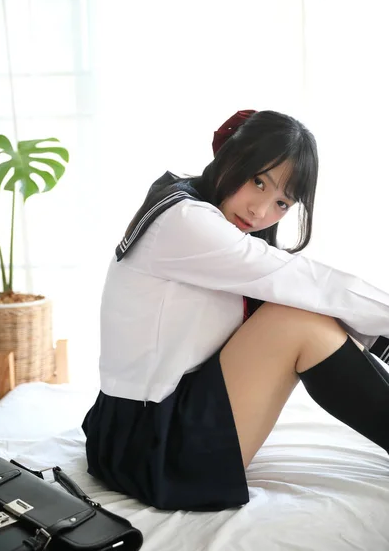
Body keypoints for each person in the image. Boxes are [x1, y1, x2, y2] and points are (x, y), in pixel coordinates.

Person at [82, 109, 389, 512]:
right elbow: (306, 281)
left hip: (131, 429)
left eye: (281, 201)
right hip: (150, 449)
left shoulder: (190, 203)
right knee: (299, 318)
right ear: (231, 157)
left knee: (302, 311)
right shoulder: (186, 221)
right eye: (258, 181)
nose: (261, 211)